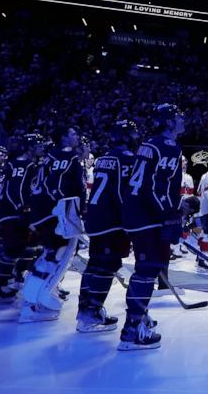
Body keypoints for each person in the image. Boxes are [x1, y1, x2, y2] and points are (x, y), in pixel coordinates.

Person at [121, 104, 185, 351]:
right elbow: (155, 188)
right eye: (179, 117)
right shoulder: (169, 146)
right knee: (146, 272)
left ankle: (138, 319)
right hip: (148, 218)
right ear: (168, 122)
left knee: (143, 271)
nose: (183, 120)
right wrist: (169, 214)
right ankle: (132, 330)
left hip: (136, 215)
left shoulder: (149, 143)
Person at [76, 119, 139, 333]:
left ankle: (84, 310)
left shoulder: (103, 158)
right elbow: (125, 193)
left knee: (94, 264)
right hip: (112, 220)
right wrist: (132, 219)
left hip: (95, 216)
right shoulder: (128, 158)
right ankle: (91, 314)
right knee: (107, 265)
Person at [21, 127, 89, 323]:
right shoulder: (66, 155)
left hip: (46, 213)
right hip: (56, 213)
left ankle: (30, 302)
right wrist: (65, 211)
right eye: (73, 134)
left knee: (49, 255)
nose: (77, 137)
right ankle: (35, 304)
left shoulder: (51, 156)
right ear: (63, 137)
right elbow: (56, 186)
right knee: (55, 256)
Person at [0, 134, 48, 303]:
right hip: (11, 213)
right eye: (38, 145)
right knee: (12, 249)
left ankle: (4, 282)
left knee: (16, 248)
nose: (41, 148)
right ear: (29, 147)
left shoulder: (19, 163)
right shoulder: (24, 164)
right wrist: (22, 208)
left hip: (8, 211)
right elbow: (16, 189)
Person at [171, 155, 195, 261]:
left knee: (185, 226)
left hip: (185, 205)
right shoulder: (172, 175)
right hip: (175, 205)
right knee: (175, 226)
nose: (185, 163)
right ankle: (173, 247)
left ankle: (181, 244)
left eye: (185, 161)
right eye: (183, 161)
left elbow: (190, 193)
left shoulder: (188, 177)